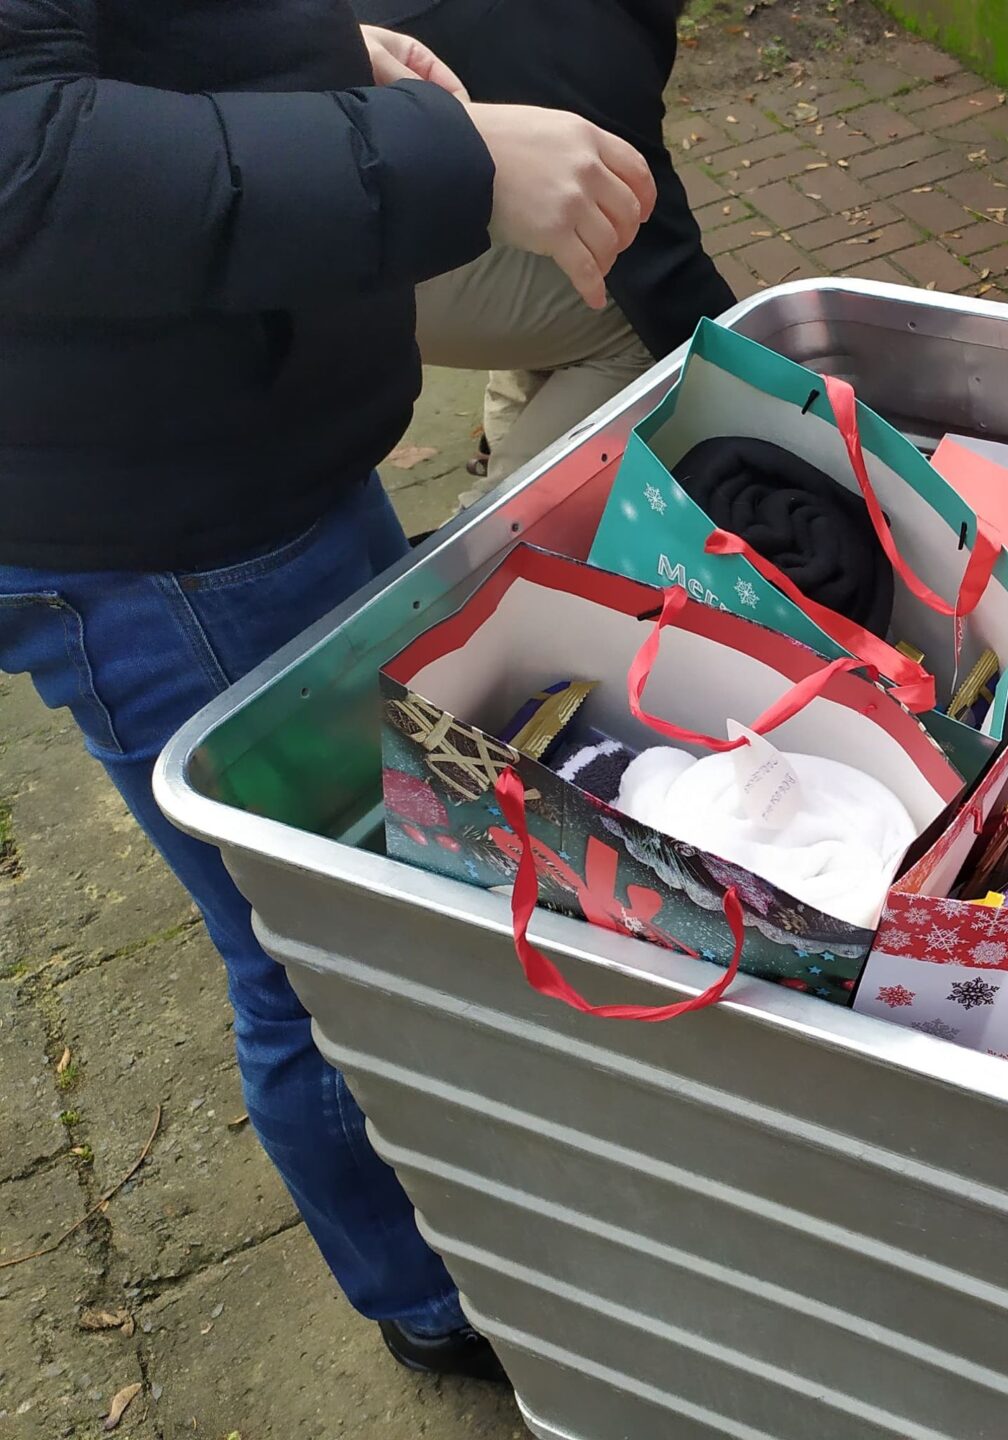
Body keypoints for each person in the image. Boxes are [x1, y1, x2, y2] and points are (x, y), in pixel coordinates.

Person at [0, 0, 653, 1380]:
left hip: (244, 447)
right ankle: (429, 1294)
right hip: (167, 530)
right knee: (320, 949)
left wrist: (307, 51)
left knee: (374, 902)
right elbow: (32, 156)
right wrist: (453, 159)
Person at [358, 0, 737, 497]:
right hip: (346, 252)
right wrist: (749, 373)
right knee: (640, 326)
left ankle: (508, 433)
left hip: (327, 203)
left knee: (563, 239)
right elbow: (664, 272)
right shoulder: (578, 30)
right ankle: (505, 519)